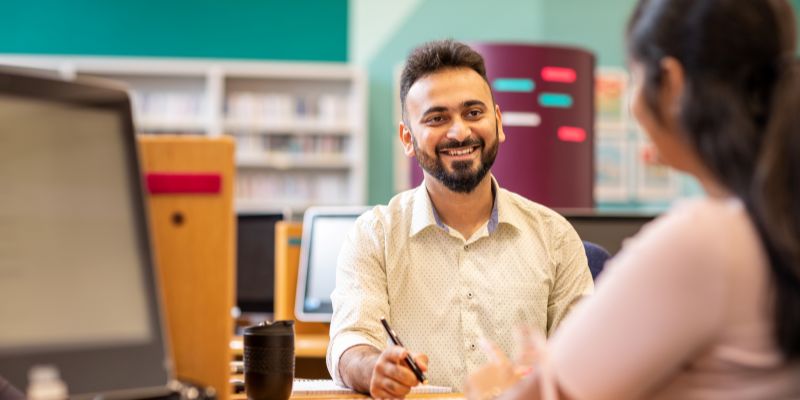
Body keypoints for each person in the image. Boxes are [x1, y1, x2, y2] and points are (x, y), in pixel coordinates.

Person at [465, 0, 800, 398]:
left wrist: (502, 386)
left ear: (672, 83)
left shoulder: (702, 239)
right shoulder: (772, 224)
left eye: (635, 78)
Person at [327, 39, 594, 398]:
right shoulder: (375, 235)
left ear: (498, 123)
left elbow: (587, 361)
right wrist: (375, 367)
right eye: (437, 118)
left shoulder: (555, 236)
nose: (459, 132)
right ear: (407, 138)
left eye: (473, 113)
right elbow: (350, 339)